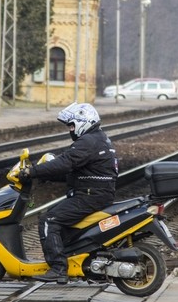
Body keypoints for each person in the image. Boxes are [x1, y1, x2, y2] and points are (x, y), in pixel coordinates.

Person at [19, 102, 118, 283]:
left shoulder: (88, 141)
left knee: (49, 220)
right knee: (62, 221)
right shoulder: (98, 138)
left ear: (83, 122)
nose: (70, 130)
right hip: (96, 192)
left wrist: (32, 171)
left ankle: (58, 268)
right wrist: (47, 176)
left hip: (90, 196)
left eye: (72, 125)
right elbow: (78, 173)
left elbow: (66, 162)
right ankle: (75, 260)